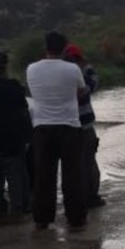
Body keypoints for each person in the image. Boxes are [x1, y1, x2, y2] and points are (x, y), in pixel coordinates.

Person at [25, 31, 89, 230]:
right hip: (69, 127)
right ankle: (76, 218)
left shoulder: (31, 69)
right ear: (64, 49)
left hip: (42, 127)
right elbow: (80, 91)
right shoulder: (72, 69)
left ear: (45, 47)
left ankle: (42, 219)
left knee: (44, 176)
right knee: (72, 176)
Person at [63, 43, 104, 208]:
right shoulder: (84, 75)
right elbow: (93, 83)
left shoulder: (61, 75)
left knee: (71, 164)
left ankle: (74, 199)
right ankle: (91, 197)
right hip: (85, 126)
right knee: (89, 162)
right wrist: (85, 66)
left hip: (66, 126)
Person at [0, 49, 32, 221]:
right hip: (12, 141)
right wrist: (29, 136)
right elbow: (24, 113)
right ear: (5, 67)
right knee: (15, 177)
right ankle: (17, 212)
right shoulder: (15, 88)